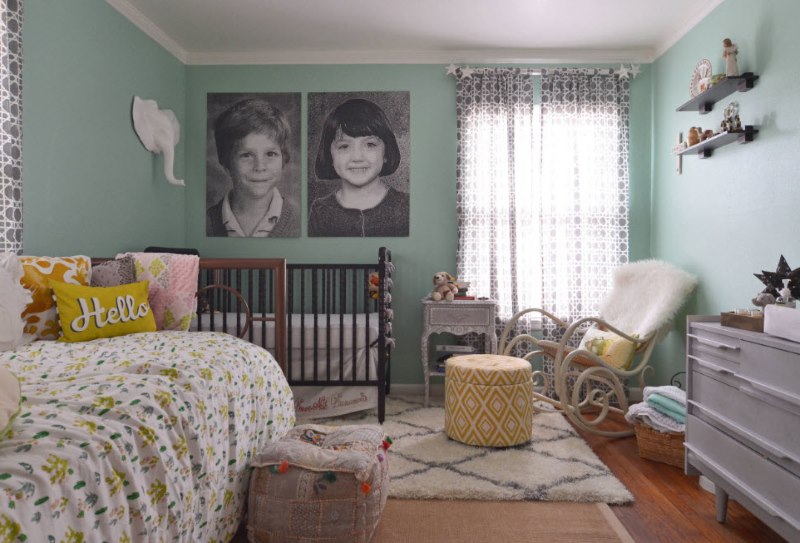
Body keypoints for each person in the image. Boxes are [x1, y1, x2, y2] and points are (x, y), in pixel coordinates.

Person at [309, 98, 409, 237]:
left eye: (370, 145)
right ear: (329, 155)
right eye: (344, 146)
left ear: (386, 152)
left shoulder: (406, 207)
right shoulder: (320, 212)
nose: (357, 157)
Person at [207, 98, 299, 237]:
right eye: (246, 155)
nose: (260, 167)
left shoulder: (299, 222)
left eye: (270, 154)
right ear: (226, 163)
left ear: (283, 159)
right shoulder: (207, 223)